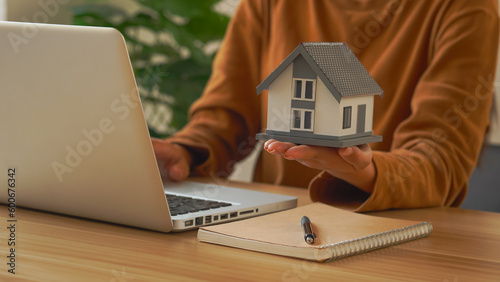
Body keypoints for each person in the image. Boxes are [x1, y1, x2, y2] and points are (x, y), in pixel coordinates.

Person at [153, 0, 499, 211]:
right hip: (270, 228)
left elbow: (439, 161)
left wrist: (364, 170)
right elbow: (225, 117)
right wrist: (185, 152)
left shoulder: (466, 7)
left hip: (391, 237)